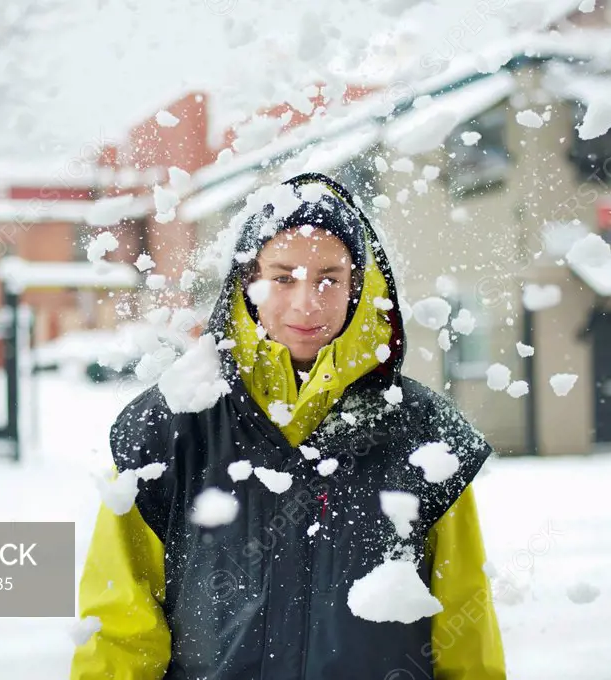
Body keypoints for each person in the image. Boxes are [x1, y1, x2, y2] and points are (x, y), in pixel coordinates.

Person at [71, 172, 505, 679]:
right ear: (248, 280)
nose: (307, 302)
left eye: (330, 278)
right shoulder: (170, 428)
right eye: (282, 277)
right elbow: (121, 625)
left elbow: (464, 622)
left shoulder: (422, 434)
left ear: (358, 286)